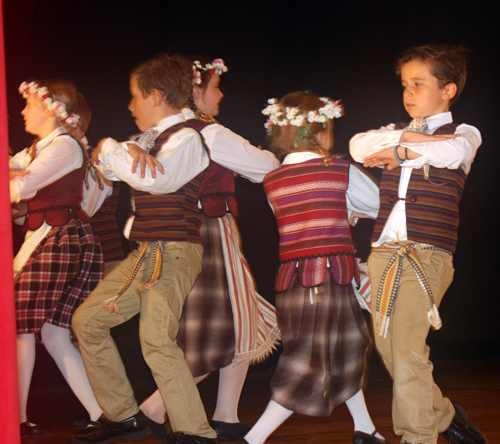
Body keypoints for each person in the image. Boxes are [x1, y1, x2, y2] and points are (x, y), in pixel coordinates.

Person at [71, 53, 217, 444]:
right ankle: (123, 416)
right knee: (87, 321)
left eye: (134, 95)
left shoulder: (187, 138)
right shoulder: (141, 142)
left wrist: (110, 146)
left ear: (155, 95)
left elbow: (156, 181)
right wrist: (115, 148)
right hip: (146, 253)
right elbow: (98, 177)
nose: (129, 104)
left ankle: (195, 433)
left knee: (155, 338)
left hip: (174, 251)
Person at [136, 57, 281, 442]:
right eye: (215, 87)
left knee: (239, 319)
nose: (221, 95)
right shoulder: (207, 134)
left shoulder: (164, 132)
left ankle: (226, 415)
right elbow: (266, 167)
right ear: (196, 92)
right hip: (209, 232)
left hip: (190, 233)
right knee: (223, 326)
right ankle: (154, 407)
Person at [349, 44, 487, 444]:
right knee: (390, 350)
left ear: (449, 90)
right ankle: (443, 414)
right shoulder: (395, 128)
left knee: (406, 351)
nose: (408, 93)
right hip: (383, 253)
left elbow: (451, 153)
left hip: (425, 253)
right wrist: (404, 141)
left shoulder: (463, 134)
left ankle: (417, 436)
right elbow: (359, 145)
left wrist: (399, 149)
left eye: (418, 84)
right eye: (405, 84)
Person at [240, 91, 384, 444]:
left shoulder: (273, 180)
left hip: (294, 281)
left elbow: (301, 219)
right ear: (321, 133)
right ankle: (253, 439)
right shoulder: (337, 169)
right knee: (308, 361)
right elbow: (378, 204)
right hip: (329, 277)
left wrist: (340, 212)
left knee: (347, 345)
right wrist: (349, 212)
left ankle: (365, 429)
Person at [10, 80, 104, 438]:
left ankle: (16, 419)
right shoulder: (42, 147)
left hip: (60, 238)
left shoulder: (63, 146)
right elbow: (13, 169)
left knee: (21, 326)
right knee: (52, 334)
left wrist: (16, 176)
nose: (22, 111)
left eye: (29, 105)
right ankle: (102, 411)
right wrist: (14, 170)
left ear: (52, 108)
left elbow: (19, 187)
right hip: (53, 238)